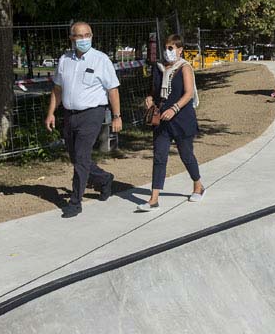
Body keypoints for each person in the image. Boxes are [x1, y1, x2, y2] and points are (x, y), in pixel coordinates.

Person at [45, 21, 122, 219]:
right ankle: (104, 179)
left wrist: (116, 116)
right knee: (76, 156)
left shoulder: (101, 60)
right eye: (79, 36)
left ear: (92, 36)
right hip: (70, 114)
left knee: (80, 157)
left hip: (92, 114)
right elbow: (58, 89)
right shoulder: (65, 60)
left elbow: (112, 89)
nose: (84, 39)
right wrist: (51, 112)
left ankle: (75, 202)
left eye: (87, 35)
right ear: (72, 39)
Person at [137, 34, 205, 211]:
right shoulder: (158, 68)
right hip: (162, 120)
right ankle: (154, 198)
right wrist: (150, 98)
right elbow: (155, 90)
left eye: (171, 48)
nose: (168, 52)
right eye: (166, 48)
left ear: (180, 50)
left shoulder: (184, 68)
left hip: (182, 119)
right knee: (159, 157)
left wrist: (174, 108)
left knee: (186, 155)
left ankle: (198, 185)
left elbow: (188, 93)